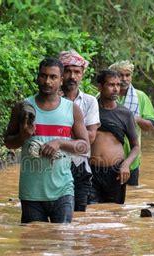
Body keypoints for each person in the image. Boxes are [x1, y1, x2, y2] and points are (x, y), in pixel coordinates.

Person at [4, 57, 89, 223]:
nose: (47, 81)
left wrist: (59, 143)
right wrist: (23, 136)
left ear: (61, 80)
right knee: (33, 244)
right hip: (31, 193)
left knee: (62, 242)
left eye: (53, 77)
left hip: (63, 190)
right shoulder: (22, 107)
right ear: (37, 77)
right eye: (43, 76)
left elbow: (84, 146)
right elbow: (8, 142)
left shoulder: (72, 109)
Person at [88, 69, 140, 204]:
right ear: (100, 86)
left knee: (114, 214)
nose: (116, 89)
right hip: (91, 171)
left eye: (118, 85)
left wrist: (126, 165)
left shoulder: (125, 114)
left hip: (116, 172)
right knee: (91, 214)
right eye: (111, 85)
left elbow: (136, 146)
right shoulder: (90, 109)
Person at [59, 49, 100, 212]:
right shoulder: (48, 101)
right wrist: (78, 132)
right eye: (68, 71)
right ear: (61, 74)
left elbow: (90, 138)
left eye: (77, 72)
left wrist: (62, 132)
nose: (72, 76)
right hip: (55, 164)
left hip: (80, 165)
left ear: (82, 74)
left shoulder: (90, 101)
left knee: (79, 215)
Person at [109, 60, 154, 186]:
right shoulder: (103, 96)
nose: (124, 79)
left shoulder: (140, 97)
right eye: (120, 75)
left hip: (131, 159)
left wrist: (136, 119)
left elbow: (151, 126)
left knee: (131, 198)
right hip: (107, 159)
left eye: (127, 75)